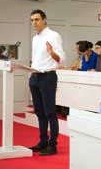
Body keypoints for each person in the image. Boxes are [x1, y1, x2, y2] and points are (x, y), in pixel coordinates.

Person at [28, 9, 65, 156]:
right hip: (35, 76)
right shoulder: (35, 38)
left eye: (37, 19)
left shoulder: (53, 35)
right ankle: (43, 141)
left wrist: (52, 53)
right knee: (39, 112)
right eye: (32, 20)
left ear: (44, 20)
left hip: (48, 77)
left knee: (50, 112)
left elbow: (61, 59)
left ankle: (52, 145)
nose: (34, 23)